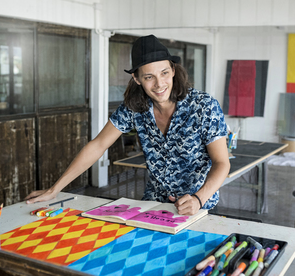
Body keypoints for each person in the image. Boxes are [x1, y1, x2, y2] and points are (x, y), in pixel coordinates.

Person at [25, 34, 230, 215]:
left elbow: (222, 162)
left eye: (164, 73)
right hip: (154, 205)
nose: (159, 84)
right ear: (137, 78)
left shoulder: (204, 106)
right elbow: (98, 145)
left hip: (200, 207)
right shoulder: (134, 107)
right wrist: (55, 189)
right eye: (149, 77)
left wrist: (198, 199)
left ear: (173, 70)